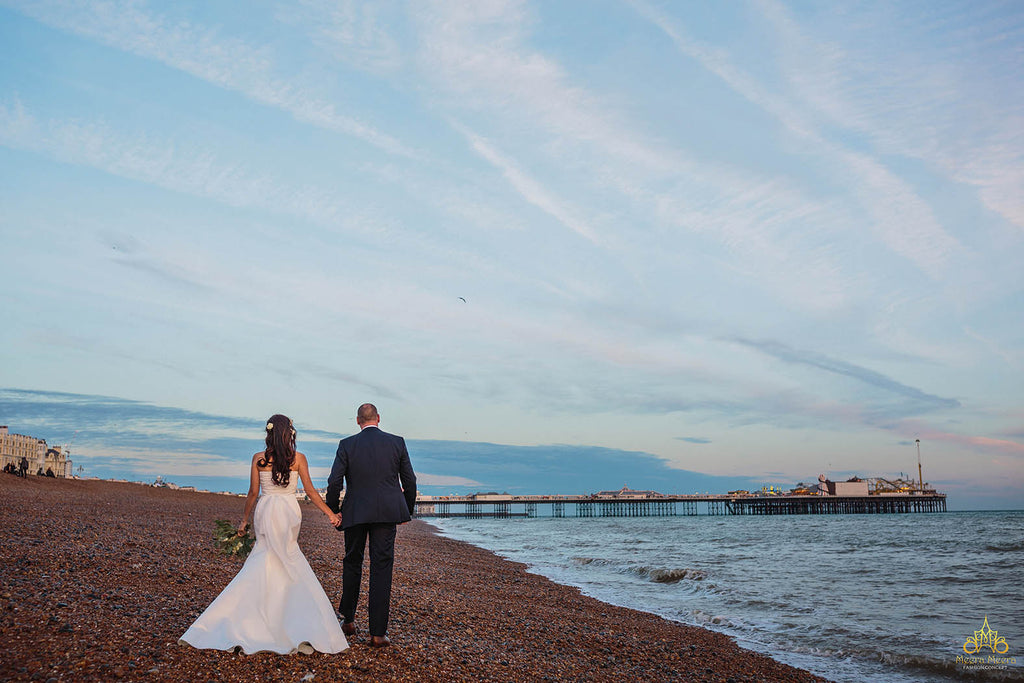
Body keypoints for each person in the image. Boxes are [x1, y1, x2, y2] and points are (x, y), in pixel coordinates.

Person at [180, 414, 348, 655]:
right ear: (289, 433)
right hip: (289, 511)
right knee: (289, 557)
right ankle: (293, 619)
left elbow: (252, 493)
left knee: (264, 557)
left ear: (269, 433)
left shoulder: (258, 459)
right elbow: (310, 491)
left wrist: (244, 520)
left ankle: (251, 616)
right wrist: (331, 515)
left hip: (267, 509)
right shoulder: (298, 458)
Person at [327, 403, 416, 648]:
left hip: (355, 511)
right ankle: (378, 633)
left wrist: (334, 509)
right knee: (382, 567)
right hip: (387, 513)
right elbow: (410, 480)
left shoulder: (347, 444)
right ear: (378, 418)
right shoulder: (396, 442)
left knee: (352, 561)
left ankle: (348, 620)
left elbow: (334, 481)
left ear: (358, 421)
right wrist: (405, 509)